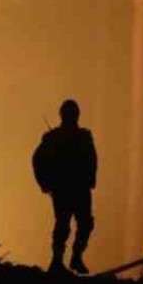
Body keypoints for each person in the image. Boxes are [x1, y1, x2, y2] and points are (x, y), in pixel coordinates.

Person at [32, 99, 97, 273]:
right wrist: (44, 183)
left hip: (79, 187)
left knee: (85, 224)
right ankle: (58, 261)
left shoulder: (82, 136)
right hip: (63, 188)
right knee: (63, 225)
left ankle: (75, 257)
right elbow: (37, 160)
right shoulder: (53, 138)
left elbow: (92, 158)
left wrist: (91, 178)